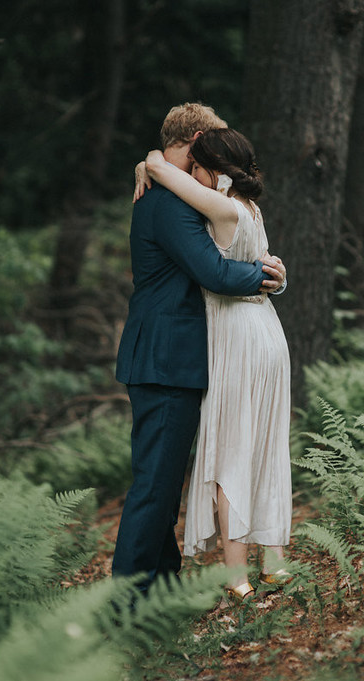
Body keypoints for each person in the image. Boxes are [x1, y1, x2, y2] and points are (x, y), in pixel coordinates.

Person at [111, 103, 286, 595]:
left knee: (162, 489)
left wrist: (150, 162)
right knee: (154, 488)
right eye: (210, 143)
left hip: (175, 357)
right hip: (166, 358)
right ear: (196, 139)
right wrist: (266, 276)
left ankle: (159, 589)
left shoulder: (167, 187)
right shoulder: (168, 202)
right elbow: (212, 272)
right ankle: (127, 602)